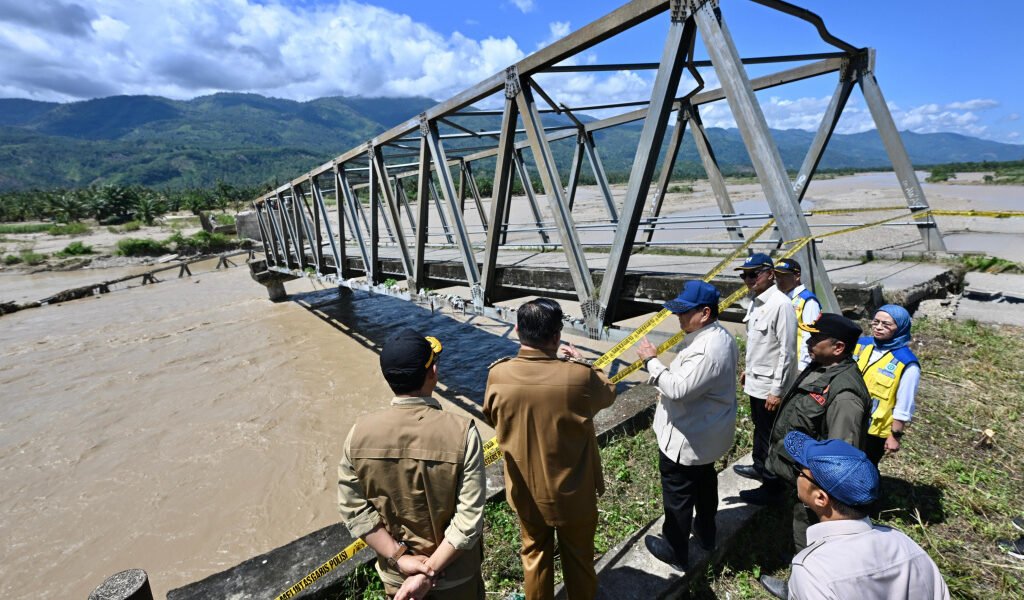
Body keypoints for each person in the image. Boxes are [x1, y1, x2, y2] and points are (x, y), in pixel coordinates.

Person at [483, 298, 616, 600]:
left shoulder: (498, 375)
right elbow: (608, 393)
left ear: (517, 330)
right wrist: (585, 363)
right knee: (580, 557)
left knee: (534, 556)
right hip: (575, 491)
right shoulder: (579, 377)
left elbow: (491, 416)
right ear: (557, 337)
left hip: (526, 491)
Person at [338, 329, 485, 600]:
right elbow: (469, 519)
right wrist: (429, 571)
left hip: (399, 579)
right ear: (433, 373)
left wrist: (401, 558)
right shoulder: (463, 432)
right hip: (455, 578)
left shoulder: (358, 434)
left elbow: (354, 509)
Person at [742, 314, 872, 560]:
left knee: (812, 537)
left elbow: (841, 459)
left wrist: (818, 494)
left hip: (819, 488)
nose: (808, 342)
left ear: (838, 348)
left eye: (815, 338)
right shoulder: (821, 368)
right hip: (802, 477)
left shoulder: (845, 396)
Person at [635, 280, 739, 570]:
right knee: (705, 485)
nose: (678, 318)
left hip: (686, 438)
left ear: (705, 313)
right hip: (705, 435)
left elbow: (678, 389)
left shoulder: (707, 349)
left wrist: (651, 361)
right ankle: (707, 535)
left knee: (678, 496)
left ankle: (675, 549)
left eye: (684, 312)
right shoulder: (719, 336)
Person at [778, 431, 950, 600]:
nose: (798, 475)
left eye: (800, 471)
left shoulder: (811, 571)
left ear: (821, 498)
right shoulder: (907, 545)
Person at [732, 253, 798, 485]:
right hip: (757, 381)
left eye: (754, 274)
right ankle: (760, 467)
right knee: (761, 429)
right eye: (745, 275)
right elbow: (760, 344)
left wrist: (777, 391)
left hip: (770, 386)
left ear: (770, 274)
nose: (749, 279)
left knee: (771, 434)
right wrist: (748, 371)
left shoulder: (781, 305)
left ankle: (772, 483)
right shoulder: (756, 301)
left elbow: (787, 351)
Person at [853, 304, 921, 465]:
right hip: (847, 418)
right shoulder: (861, 345)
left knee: (863, 468)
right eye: (875, 322)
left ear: (900, 327)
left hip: (873, 430)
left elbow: (905, 404)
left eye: (886, 324)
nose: (878, 327)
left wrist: (895, 436)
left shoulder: (907, 363)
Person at [773, 258, 821, 371]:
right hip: (782, 361)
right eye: (777, 276)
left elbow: (809, 335)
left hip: (798, 364)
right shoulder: (781, 297)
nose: (779, 280)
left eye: (783, 276)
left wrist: (803, 366)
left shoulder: (808, 300)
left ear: (797, 276)